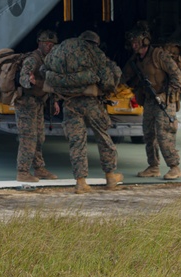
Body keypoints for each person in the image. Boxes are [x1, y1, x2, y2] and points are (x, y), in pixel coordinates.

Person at [45, 31, 123, 193]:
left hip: (69, 103)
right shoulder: (95, 53)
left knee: (76, 141)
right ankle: (110, 177)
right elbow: (108, 81)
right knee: (103, 136)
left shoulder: (62, 49)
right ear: (95, 42)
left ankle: (81, 182)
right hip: (90, 103)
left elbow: (44, 68)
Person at [123, 24, 181, 180]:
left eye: (136, 42)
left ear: (144, 41)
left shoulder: (159, 55)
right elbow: (125, 77)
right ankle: (153, 166)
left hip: (165, 100)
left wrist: (166, 95)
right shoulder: (136, 60)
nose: (134, 45)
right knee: (149, 134)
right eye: (132, 42)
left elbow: (177, 76)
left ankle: (174, 167)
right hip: (150, 100)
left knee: (164, 133)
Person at [14, 30, 59, 182]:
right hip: (26, 103)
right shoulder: (32, 59)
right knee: (28, 137)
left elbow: (50, 83)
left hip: (38, 102)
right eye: (47, 44)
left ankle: (39, 168)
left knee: (39, 137)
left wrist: (55, 101)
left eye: (52, 44)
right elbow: (23, 79)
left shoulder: (49, 60)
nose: (50, 47)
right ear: (40, 44)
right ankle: (22, 171)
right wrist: (30, 80)